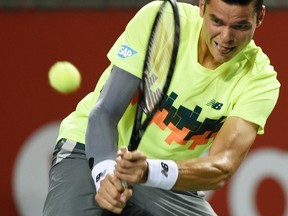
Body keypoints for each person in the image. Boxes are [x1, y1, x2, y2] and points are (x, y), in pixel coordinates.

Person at [43, 0, 280, 215]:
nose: (226, 37)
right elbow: (105, 112)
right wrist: (105, 173)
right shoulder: (162, 20)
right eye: (216, 21)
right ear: (201, 7)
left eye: (240, 26)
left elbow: (222, 166)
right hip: (93, 149)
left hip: (166, 177)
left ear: (259, 18)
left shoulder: (260, 80)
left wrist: (148, 171)